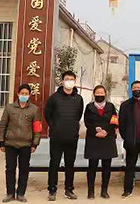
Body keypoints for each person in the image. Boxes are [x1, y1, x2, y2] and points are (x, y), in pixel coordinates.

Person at [0, 84, 42, 203]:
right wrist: (1, 141)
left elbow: (37, 128)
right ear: (18, 94)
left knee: (24, 170)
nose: (24, 95)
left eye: (26, 94)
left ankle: (21, 193)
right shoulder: (9, 108)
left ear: (29, 95)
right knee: (10, 169)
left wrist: (35, 144)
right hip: (10, 143)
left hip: (26, 145)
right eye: (22, 93)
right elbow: (3, 125)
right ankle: (10, 193)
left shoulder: (34, 109)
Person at [45, 71, 84, 201]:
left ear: (75, 81)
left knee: (70, 165)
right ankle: (52, 190)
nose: (69, 81)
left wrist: (73, 128)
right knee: (54, 164)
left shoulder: (78, 99)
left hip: (72, 137)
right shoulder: (54, 97)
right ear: (62, 81)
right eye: (67, 79)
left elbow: (78, 115)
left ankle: (69, 189)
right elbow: (47, 114)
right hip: (57, 137)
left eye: (72, 79)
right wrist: (55, 126)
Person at [84, 85, 119, 199]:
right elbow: (87, 122)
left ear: (105, 94)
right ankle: (91, 191)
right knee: (92, 167)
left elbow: (114, 120)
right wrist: (95, 131)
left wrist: (106, 131)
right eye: (97, 93)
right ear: (94, 94)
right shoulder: (89, 107)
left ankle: (104, 191)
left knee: (106, 167)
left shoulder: (110, 106)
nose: (99, 95)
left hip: (107, 139)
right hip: (93, 139)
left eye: (101, 93)